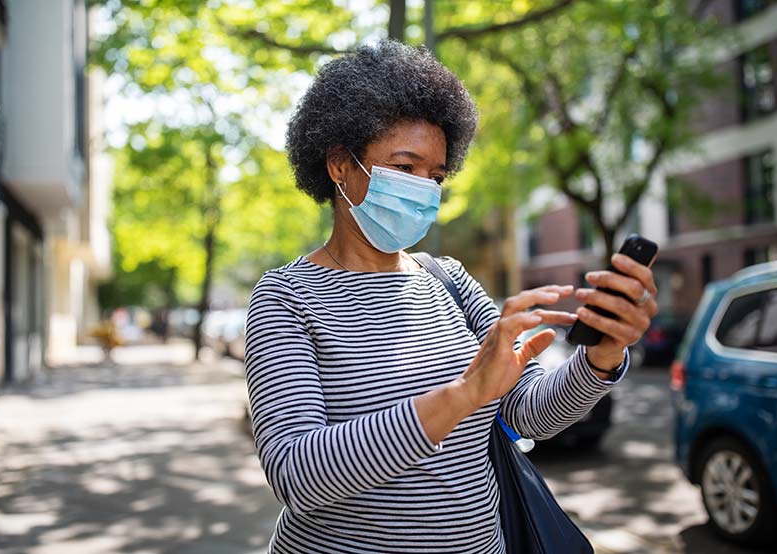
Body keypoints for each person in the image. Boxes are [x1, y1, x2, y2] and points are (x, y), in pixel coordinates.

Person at [244, 40, 658, 554]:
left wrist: (601, 355)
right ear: (338, 165)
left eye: (436, 176)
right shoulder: (287, 296)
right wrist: (461, 396)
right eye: (404, 167)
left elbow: (531, 414)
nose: (424, 189)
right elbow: (296, 474)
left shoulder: (449, 280)